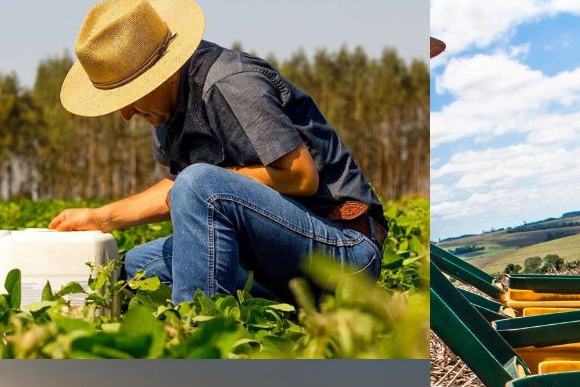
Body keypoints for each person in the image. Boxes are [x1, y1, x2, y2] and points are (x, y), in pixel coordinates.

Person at [49, 0, 386, 305]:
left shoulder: (230, 82)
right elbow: (181, 188)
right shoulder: (165, 110)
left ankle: (197, 336)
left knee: (198, 183)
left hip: (344, 253)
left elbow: (301, 177)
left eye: (130, 97)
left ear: (163, 74)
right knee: (135, 269)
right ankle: (284, 309)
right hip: (274, 257)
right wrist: (102, 216)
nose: (126, 114)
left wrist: (214, 181)